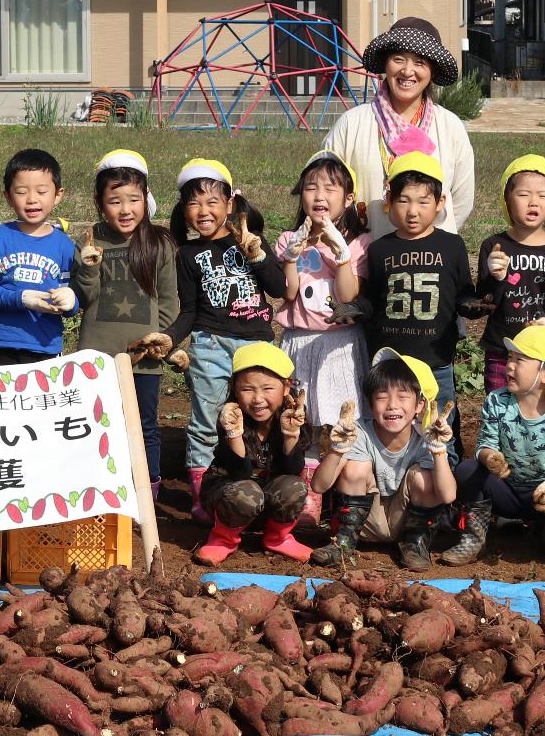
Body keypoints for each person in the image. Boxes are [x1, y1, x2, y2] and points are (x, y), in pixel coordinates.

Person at [162, 158, 285, 521]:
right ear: (184, 209)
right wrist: (168, 339)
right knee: (205, 421)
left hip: (255, 347)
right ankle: (201, 498)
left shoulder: (250, 242)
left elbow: (278, 289)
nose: (204, 211)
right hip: (211, 344)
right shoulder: (187, 254)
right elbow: (188, 311)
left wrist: (259, 256)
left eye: (213, 202)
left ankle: (263, 490)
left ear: (230, 205)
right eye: (194, 203)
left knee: (261, 417)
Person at [73, 150, 179, 498]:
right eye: (114, 201)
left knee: (145, 426)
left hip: (143, 360)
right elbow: (84, 300)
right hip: (97, 356)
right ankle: (99, 489)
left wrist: (159, 342)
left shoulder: (160, 243)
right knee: (97, 423)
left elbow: (168, 301)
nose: (125, 209)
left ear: (145, 198)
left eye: (134, 199)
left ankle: (146, 494)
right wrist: (88, 268)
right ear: (99, 203)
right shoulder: (91, 241)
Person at [360, 151, 475, 464]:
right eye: (404, 201)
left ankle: (445, 493)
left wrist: (472, 306)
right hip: (391, 361)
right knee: (390, 426)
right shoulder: (379, 249)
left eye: (423, 202)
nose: (413, 211)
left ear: (440, 203)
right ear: (389, 202)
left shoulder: (452, 246)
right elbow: (372, 299)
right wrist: (355, 308)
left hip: (436, 360)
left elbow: (464, 293)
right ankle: (393, 480)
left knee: (441, 426)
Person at [272, 150, 369, 508]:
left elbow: (347, 296)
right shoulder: (287, 239)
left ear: (347, 198)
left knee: (339, 418)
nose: (319, 196)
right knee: (304, 419)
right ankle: (309, 498)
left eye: (330, 188)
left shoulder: (360, 243)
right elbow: (290, 291)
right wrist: (293, 254)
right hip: (299, 341)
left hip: (340, 344)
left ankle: (341, 498)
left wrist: (341, 253)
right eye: (311, 187)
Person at [321, 16, 475, 236]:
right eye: (398, 59)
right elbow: (325, 186)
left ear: (432, 71)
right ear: (385, 63)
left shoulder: (450, 126)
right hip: (363, 257)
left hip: (432, 259)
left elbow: (462, 200)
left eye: (420, 62)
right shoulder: (352, 122)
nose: (407, 71)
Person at [445, 323, 545, 566]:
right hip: (505, 491)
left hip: (540, 497)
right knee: (466, 471)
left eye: (520, 360)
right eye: (510, 358)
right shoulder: (497, 401)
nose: (510, 366)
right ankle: (474, 536)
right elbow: (486, 442)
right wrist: (489, 457)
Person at [311, 348, 455, 569]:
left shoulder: (426, 439)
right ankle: (343, 543)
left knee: (424, 477)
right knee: (355, 466)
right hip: (365, 522)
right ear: (370, 404)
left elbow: (448, 495)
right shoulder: (358, 433)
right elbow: (319, 486)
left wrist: (439, 452)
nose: (392, 405)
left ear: (420, 405)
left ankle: (414, 544)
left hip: (406, 521)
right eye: (382, 396)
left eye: (403, 395)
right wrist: (337, 449)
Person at [191, 344, 312, 566]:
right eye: (247, 389)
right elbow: (241, 474)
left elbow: (292, 471)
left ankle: (278, 537)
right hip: (229, 495)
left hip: (265, 500)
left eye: (267, 389)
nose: (257, 398)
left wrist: (291, 435)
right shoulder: (230, 417)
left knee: (295, 485)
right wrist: (234, 434)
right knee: (247, 490)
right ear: (235, 389)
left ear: (286, 387)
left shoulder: (293, 416)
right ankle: (223, 539)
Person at [474, 154, 545, 395]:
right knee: (498, 412)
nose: (533, 202)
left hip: (542, 355)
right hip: (501, 351)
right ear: (506, 200)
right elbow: (482, 299)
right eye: (523, 195)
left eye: (542, 196)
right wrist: (496, 277)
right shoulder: (494, 246)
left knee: (536, 415)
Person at [0, 147, 78, 366]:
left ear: (58, 195)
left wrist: (71, 302)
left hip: (46, 345)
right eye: (21, 192)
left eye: (41, 191)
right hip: (3, 343)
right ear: (8, 196)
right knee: (0, 401)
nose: (32, 199)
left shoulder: (65, 246)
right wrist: (22, 299)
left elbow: (71, 299)